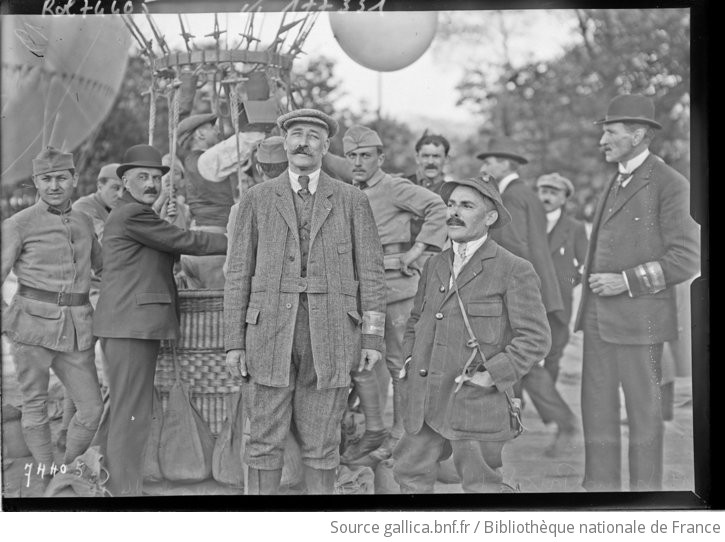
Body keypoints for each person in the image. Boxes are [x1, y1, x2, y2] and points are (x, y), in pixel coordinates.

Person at [224, 109, 386, 495]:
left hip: (331, 335)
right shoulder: (257, 199)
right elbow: (237, 275)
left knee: (323, 441)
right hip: (267, 336)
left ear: (326, 146)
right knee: (262, 441)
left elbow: (373, 274)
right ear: (285, 142)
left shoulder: (351, 200)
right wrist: (233, 342)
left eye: (313, 136)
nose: (303, 143)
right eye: (296, 134)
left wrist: (372, 340)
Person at [393, 174, 550, 493]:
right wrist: (409, 362)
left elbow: (535, 339)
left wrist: (491, 375)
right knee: (410, 479)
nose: (454, 212)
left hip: (475, 401)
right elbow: (416, 320)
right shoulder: (434, 264)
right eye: (450, 204)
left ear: (490, 217)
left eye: (466, 205)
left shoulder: (512, 268)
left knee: (481, 487)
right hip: (422, 400)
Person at [574, 94, 700, 491]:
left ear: (639, 134)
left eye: (610, 133)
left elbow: (688, 257)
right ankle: (598, 494)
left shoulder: (671, 184)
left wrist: (625, 281)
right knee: (596, 412)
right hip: (597, 320)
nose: (602, 142)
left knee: (645, 417)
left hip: (641, 324)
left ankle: (646, 503)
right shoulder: (615, 179)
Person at [93, 144, 228, 496]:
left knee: (128, 410)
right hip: (130, 326)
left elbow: (166, 242)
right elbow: (184, 241)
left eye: (156, 177)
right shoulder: (133, 215)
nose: (152, 183)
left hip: (129, 325)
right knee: (131, 414)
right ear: (124, 181)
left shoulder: (135, 213)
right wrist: (235, 240)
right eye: (143, 177)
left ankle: (114, 485)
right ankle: (125, 493)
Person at [338, 125, 447, 466]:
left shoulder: (395, 186)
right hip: (359, 286)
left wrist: (417, 250)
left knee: (400, 363)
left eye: (365, 156)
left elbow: (439, 208)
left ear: (380, 158)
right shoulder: (347, 191)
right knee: (361, 359)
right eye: (352, 156)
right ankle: (374, 429)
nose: (358, 162)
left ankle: (401, 437)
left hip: (396, 286)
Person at [1, 147, 104, 492]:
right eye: (47, 179)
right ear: (35, 183)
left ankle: (67, 467)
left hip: (77, 331)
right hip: (30, 328)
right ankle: (45, 473)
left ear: (74, 179)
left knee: (90, 408)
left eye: (62, 177)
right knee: (35, 405)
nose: (55, 185)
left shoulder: (84, 221)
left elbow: (104, 270)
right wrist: (8, 321)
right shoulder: (18, 224)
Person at [478, 137, 576, 452]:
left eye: (490, 161)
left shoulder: (513, 195)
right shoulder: (522, 193)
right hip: (531, 289)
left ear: (506, 164)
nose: (485, 166)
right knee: (521, 363)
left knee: (519, 362)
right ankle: (505, 435)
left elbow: (515, 247)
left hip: (520, 291)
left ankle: (556, 423)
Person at [176, 113, 264, 288]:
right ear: (200, 135)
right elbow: (248, 140)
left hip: (193, 251)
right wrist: (261, 116)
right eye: (212, 128)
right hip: (212, 249)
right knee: (224, 308)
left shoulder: (190, 161)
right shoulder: (206, 160)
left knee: (201, 313)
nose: (218, 131)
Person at [536, 173, 589, 383]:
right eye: (543, 191)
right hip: (527, 297)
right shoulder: (525, 223)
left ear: (564, 198)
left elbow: (586, 263)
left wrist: (568, 281)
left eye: (553, 192)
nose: (546, 197)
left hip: (558, 301)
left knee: (554, 351)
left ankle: (547, 408)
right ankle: (516, 404)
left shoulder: (574, 228)